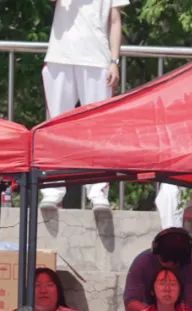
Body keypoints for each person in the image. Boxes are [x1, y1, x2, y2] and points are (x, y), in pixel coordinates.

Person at [39, 0, 127, 211]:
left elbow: (115, 20)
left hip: (97, 59)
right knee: (55, 128)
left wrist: (114, 61)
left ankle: (98, 192)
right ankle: (52, 190)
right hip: (61, 56)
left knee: (98, 130)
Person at [124, 227, 192, 311]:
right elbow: (131, 303)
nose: (167, 288)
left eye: (173, 283)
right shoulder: (143, 262)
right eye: (161, 282)